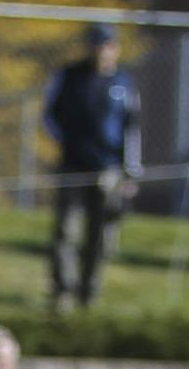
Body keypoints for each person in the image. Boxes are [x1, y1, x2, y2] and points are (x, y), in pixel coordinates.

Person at [42, 23, 140, 311]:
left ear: (116, 49)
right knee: (66, 231)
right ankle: (63, 291)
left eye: (108, 45)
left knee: (101, 235)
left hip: (107, 168)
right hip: (73, 165)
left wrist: (129, 170)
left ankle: (90, 290)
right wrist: (69, 143)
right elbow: (49, 117)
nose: (102, 51)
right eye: (97, 44)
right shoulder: (70, 77)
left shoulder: (123, 83)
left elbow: (131, 128)